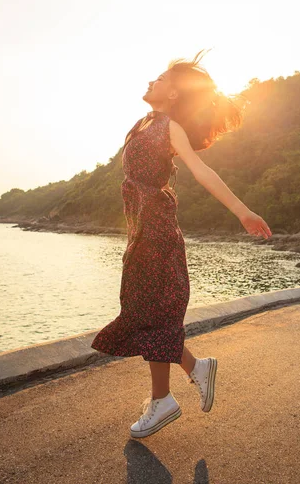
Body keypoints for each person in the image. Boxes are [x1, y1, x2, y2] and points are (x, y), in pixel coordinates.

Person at [91, 50, 272, 438]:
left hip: (156, 230)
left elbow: (201, 169)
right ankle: (195, 369)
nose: (150, 82)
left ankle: (163, 400)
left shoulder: (169, 126)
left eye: (158, 80)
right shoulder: (144, 122)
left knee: (153, 313)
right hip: (142, 230)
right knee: (144, 312)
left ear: (173, 95)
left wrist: (242, 211)